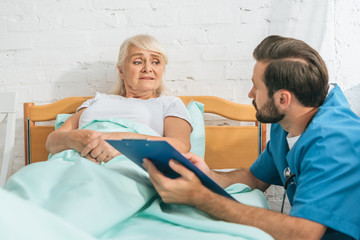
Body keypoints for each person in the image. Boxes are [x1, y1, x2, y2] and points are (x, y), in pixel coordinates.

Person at [143, 35, 360, 240]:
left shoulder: (335, 143)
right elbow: (255, 178)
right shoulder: (284, 124)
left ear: (283, 99)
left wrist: (202, 198)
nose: (250, 94)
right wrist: (207, 175)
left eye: (256, 86)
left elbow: (303, 233)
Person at [46, 34, 192, 164]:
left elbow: (180, 146)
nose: (148, 68)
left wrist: (123, 141)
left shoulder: (169, 103)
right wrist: (73, 138)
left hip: (127, 164)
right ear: (121, 70)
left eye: (155, 62)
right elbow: (52, 141)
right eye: (138, 62)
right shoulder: (97, 101)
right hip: (72, 162)